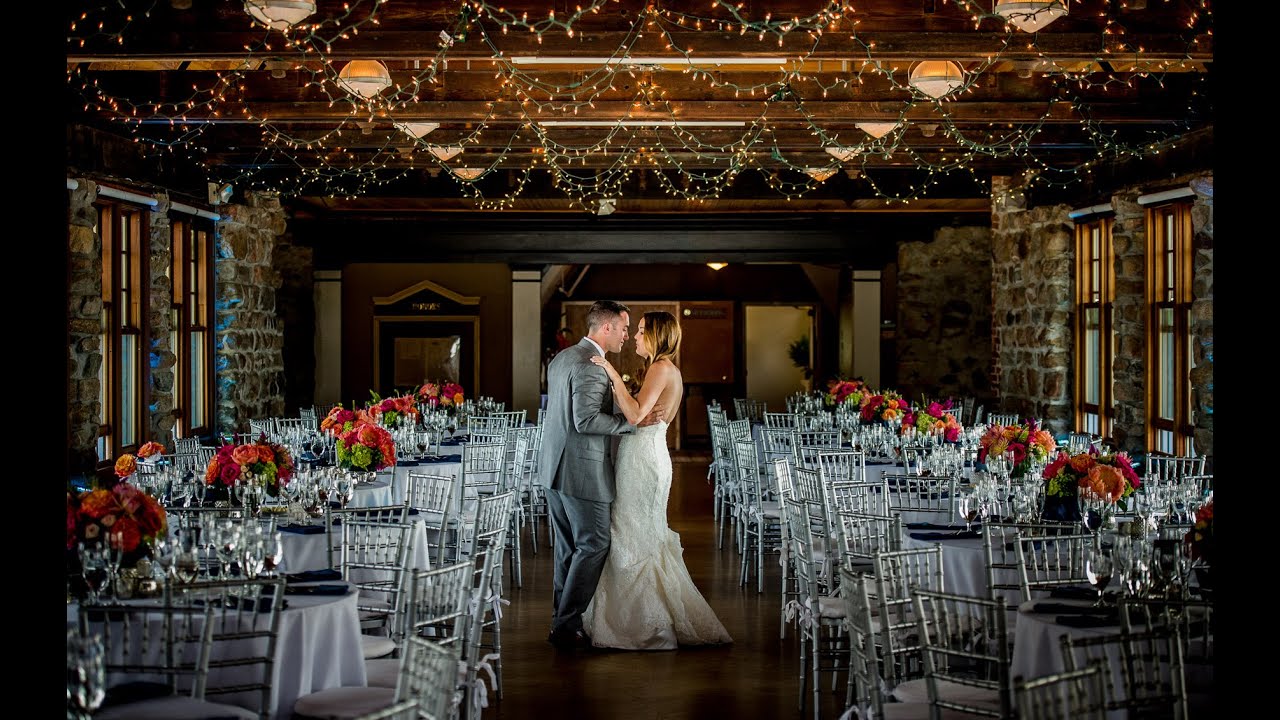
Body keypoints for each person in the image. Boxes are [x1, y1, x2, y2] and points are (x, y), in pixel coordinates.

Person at [583, 310, 733, 650]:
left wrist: (610, 372)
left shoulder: (661, 368)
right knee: (640, 533)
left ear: (656, 334)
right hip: (647, 457)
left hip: (642, 462)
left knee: (631, 534)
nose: (634, 336)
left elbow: (635, 415)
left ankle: (649, 626)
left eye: (640, 331)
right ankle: (645, 616)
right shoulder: (666, 370)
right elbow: (638, 412)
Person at [538, 300, 655, 650]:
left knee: (567, 548)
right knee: (594, 543)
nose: (625, 335)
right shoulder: (591, 365)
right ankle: (566, 626)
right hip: (581, 470)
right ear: (606, 328)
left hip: (554, 470)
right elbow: (585, 420)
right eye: (622, 329)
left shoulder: (563, 358)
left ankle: (561, 622)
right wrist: (630, 425)